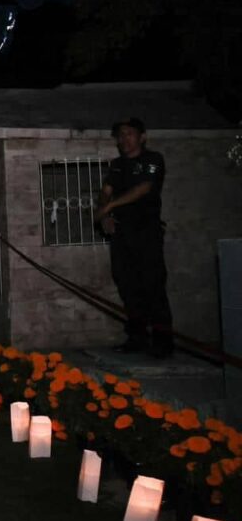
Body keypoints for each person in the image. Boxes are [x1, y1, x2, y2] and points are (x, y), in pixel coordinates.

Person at [97, 118, 174, 358]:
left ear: (142, 137)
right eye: (120, 135)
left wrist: (111, 206)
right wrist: (104, 216)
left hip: (146, 232)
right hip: (121, 234)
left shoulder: (153, 160)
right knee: (127, 286)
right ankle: (137, 338)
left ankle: (163, 342)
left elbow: (144, 188)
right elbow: (105, 192)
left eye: (129, 133)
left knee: (153, 285)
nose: (124, 139)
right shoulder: (117, 165)